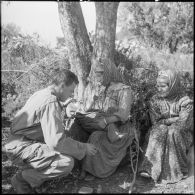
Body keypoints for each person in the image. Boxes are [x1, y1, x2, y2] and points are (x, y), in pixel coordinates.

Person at [4, 69, 97, 193]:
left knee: (66, 145)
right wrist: (84, 147)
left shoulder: (42, 94)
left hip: (18, 143)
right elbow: (56, 142)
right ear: (62, 86)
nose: (72, 95)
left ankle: (35, 180)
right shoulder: (50, 101)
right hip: (22, 147)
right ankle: (23, 179)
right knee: (66, 162)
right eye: (71, 91)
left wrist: (66, 107)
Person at [66, 58, 136, 179]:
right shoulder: (92, 87)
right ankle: (71, 166)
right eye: (96, 72)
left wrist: (106, 121)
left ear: (109, 71)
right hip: (93, 120)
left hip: (116, 123)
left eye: (101, 72)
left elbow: (124, 114)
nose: (98, 75)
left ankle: (88, 171)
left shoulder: (124, 89)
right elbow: (84, 107)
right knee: (74, 127)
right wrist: (72, 108)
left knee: (96, 137)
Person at [138, 69, 193, 184]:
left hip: (181, 133)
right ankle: (149, 169)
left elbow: (183, 123)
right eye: (157, 86)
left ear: (172, 84)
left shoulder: (184, 100)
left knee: (173, 131)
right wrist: (173, 119)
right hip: (160, 129)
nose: (159, 89)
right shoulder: (155, 100)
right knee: (160, 130)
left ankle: (179, 169)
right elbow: (156, 122)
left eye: (163, 86)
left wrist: (168, 122)